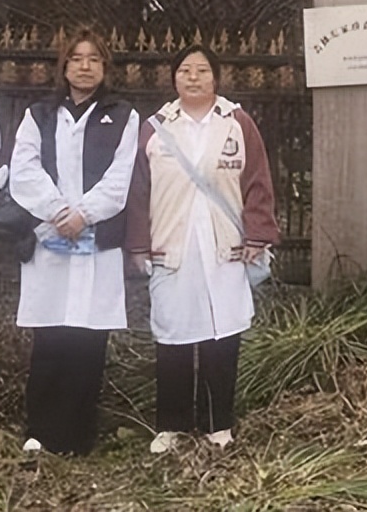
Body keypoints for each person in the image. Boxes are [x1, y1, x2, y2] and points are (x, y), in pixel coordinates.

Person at [126, 44, 279, 454]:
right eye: (185, 71)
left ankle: (218, 424)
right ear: (174, 78)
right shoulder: (156, 128)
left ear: (216, 77)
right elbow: (137, 191)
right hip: (171, 247)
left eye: (202, 70)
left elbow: (258, 181)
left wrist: (257, 234)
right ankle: (171, 425)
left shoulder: (237, 123)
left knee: (221, 334)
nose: (193, 77)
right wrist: (138, 244)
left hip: (224, 248)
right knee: (173, 335)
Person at [9, 28, 139, 454]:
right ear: (64, 66)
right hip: (50, 237)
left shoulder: (123, 116)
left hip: (96, 239)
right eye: (77, 58)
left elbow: (121, 176)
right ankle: (39, 432)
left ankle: (79, 437)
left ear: (105, 67)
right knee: (50, 336)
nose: (85, 66)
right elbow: (24, 169)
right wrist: (58, 211)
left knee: (88, 339)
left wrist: (85, 214)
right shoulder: (40, 114)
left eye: (94, 59)